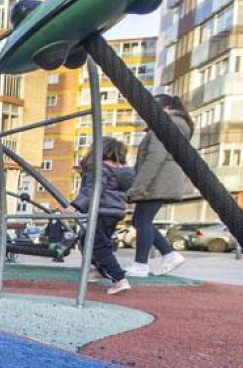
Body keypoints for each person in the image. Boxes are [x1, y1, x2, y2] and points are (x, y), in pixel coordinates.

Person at [126, 94, 194, 277]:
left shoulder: (165, 125)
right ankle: (169, 255)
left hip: (158, 180)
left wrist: (138, 187)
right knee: (139, 220)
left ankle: (141, 264)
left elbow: (155, 157)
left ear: (165, 108)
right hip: (161, 179)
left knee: (143, 221)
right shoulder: (174, 124)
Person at [61, 137, 135, 295]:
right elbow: (110, 188)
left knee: (99, 246)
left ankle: (120, 279)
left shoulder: (99, 168)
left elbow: (94, 189)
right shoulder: (121, 171)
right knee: (85, 238)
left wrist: (75, 205)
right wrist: (84, 174)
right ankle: (100, 270)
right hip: (114, 212)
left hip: (101, 211)